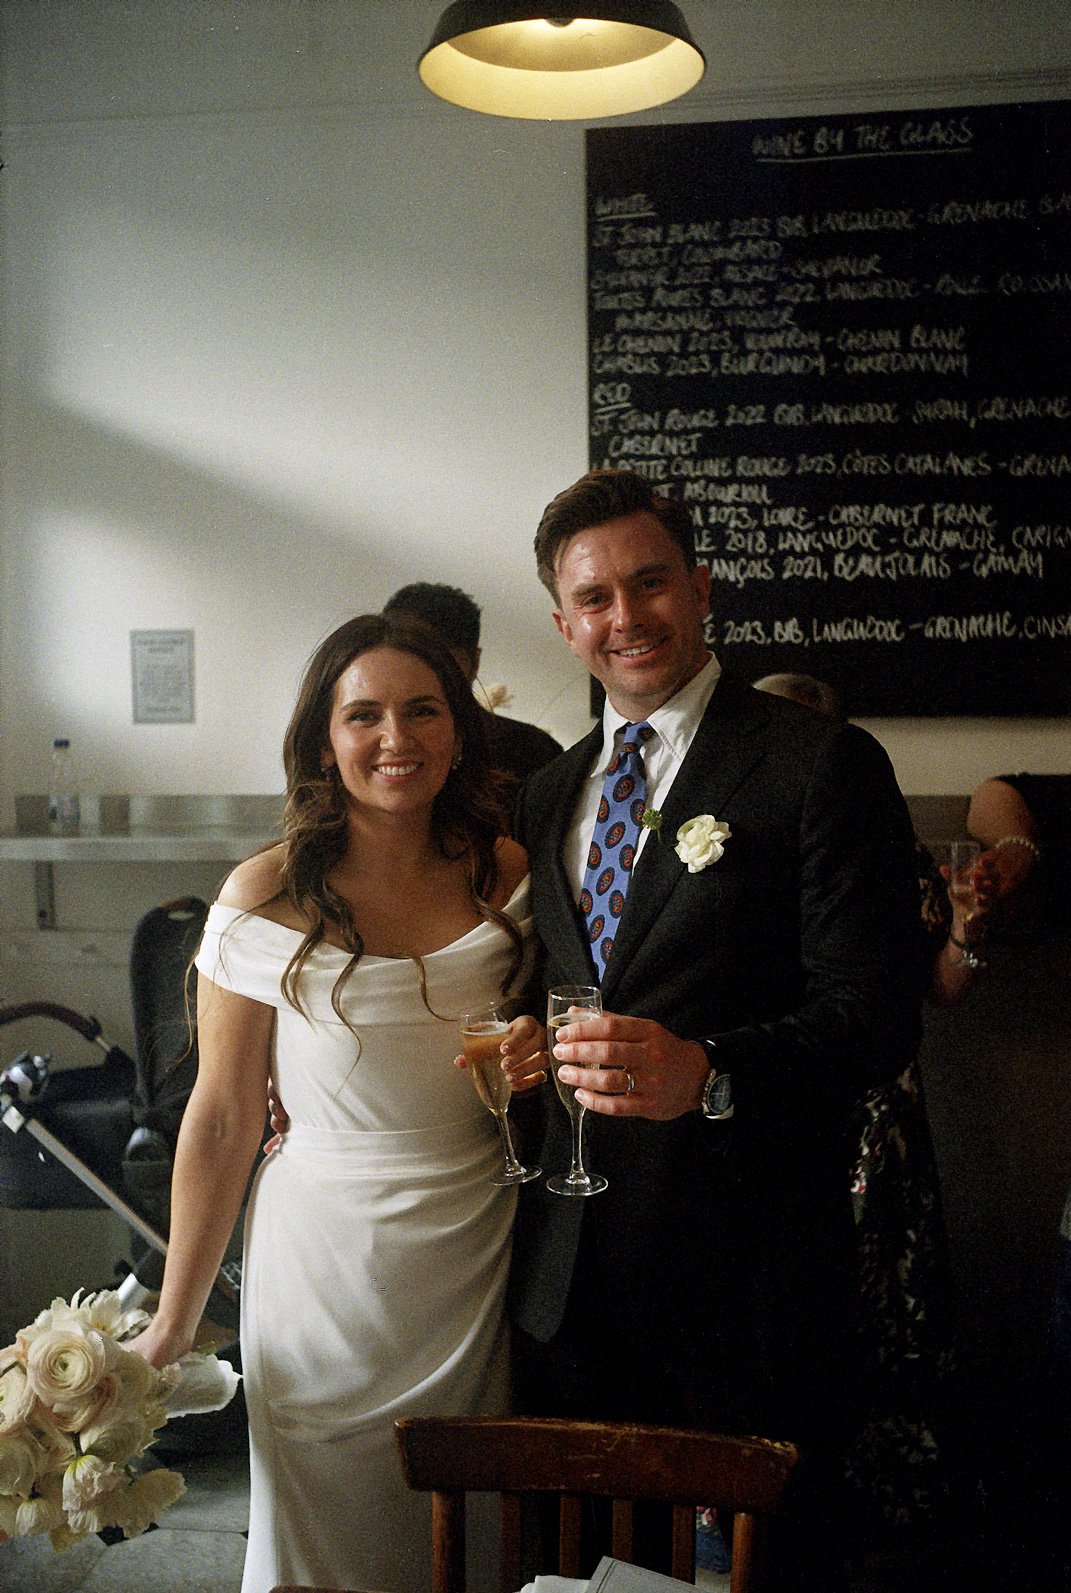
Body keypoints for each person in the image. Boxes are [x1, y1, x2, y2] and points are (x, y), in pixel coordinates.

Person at [502, 468, 924, 1587]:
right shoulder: (549, 794)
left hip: (751, 1280)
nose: (625, 618)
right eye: (594, 599)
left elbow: (874, 1019)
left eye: (650, 584)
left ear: (700, 588)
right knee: (587, 1573)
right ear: (563, 623)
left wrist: (714, 1074)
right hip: (570, 1283)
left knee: (764, 1570)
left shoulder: (816, 763)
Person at [132, 613, 544, 1593]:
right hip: (321, 1260)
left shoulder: (510, 873)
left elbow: (550, 1042)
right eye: (364, 716)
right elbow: (226, 1117)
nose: (395, 739)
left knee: (464, 1525)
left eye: (421, 711)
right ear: (325, 740)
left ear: (457, 729)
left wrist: (544, 1049)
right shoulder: (264, 896)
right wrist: (174, 1319)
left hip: (473, 1245)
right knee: (326, 1535)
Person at [383, 581, 562, 803]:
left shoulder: (533, 753)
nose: (423, 677)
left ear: (473, 662)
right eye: (408, 661)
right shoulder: (356, 744)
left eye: (441, 663)